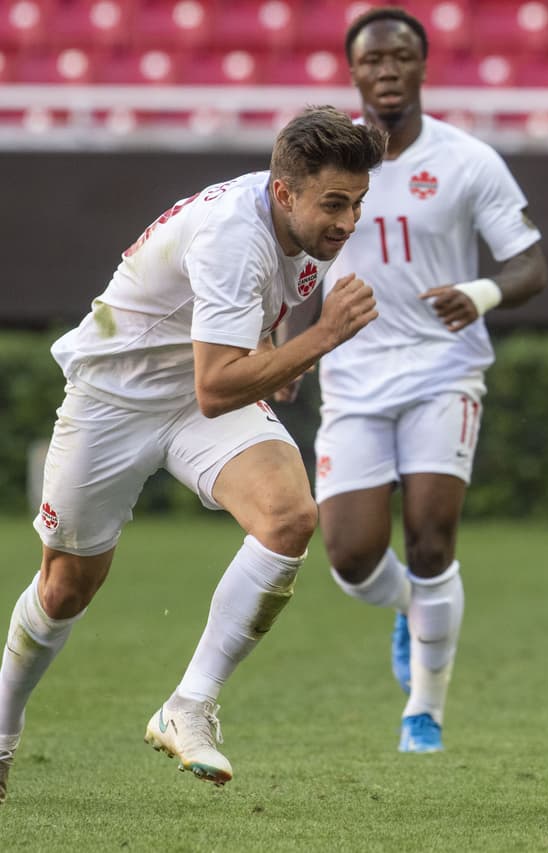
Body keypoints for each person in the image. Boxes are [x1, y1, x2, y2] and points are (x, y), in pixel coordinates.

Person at [0, 106, 386, 804]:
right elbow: (216, 386)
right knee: (64, 589)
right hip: (115, 401)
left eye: (358, 203)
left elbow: (255, 320)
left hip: (196, 396)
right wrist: (320, 338)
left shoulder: (298, 220)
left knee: (288, 516)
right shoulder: (234, 235)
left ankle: (190, 703)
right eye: (335, 204)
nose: (348, 222)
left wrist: (274, 349)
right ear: (283, 191)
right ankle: (0, 734)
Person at [286, 7, 547, 754]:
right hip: (355, 370)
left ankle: (422, 712)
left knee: (433, 540)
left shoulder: (467, 161)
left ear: (423, 66)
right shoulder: (328, 167)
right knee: (349, 556)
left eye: (401, 56)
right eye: (373, 60)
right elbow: (296, 259)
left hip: (444, 369)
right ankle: (412, 609)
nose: (388, 70)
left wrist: (484, 293)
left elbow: (530, 263)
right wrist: (285, 345)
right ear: (354, 73)